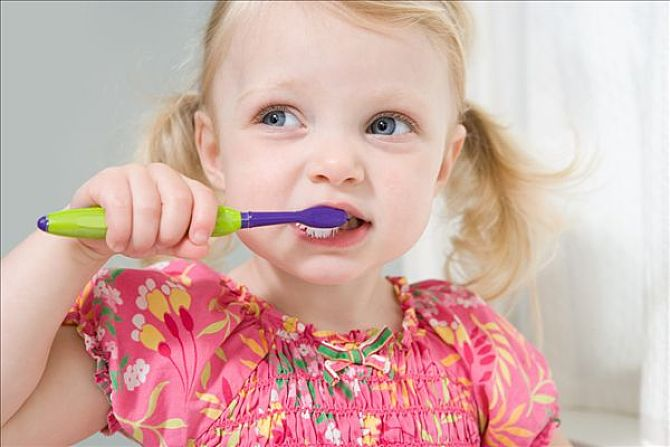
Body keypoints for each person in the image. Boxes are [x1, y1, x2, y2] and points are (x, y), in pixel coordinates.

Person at [1, 1, 579, 445]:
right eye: (279, 116)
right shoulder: (173, 334)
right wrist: (69, 253)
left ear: (442, 165)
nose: (337, 166)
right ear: (215, 150)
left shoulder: (476, 348)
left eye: (386, 124)